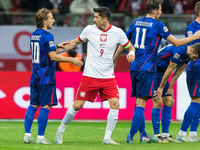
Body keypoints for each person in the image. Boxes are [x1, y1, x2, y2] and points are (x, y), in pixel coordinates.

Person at [113, 0, 200, 144]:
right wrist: (194, 37)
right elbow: (177, 43)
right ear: (155, 11)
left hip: (134, 66)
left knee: (157, 101)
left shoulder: (136, 23)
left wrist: (114, 60)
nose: (161, 12)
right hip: (148, 68)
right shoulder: (158, 25)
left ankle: (151, 134)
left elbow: (124, 42)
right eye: (160, 9)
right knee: (148, 103)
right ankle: (139, 136)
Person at [55, 6, 136, 145]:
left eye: (96, 17)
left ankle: (107, 138)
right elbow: (74, 43)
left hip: (108, 76)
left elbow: (130, 46)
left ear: (105, 18)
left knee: (115, 103)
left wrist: (131, 53)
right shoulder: (89, 30)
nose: (94, 19)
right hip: (90, 75)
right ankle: (61, 129)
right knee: (77, 105)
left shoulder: (118, 32)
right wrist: (53, 50)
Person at [23, 7, 83, 144]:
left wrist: (55, 46)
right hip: (46, 76)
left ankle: (27, 135)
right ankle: (40, 137)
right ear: (44, 21)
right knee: (46, 106)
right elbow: (52, 57)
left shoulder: (34, 35)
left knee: (33, 104)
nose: (53, 20)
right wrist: (71, 60)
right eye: (51, 18)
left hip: (35, 75)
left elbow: (43, 50)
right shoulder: (48, 35)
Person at [152, 43, 200, 143]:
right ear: (191, 50)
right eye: (195, 56)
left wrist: (170, 87)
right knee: (158, 101)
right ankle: (157, 135)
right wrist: (161, 88)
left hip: (161, 73)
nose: (195, 59)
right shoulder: (180, 51)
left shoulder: (187, 55)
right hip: (154, 71)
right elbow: (170, 68)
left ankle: (165, 135)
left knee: (169, 101)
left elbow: (179, 70)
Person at [176, 1, 200, 142]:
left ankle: (192, 133)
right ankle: (181, 133)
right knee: (195, 100)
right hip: (196, 66)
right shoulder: (192, 28)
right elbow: (192, 49)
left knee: (199, 101)